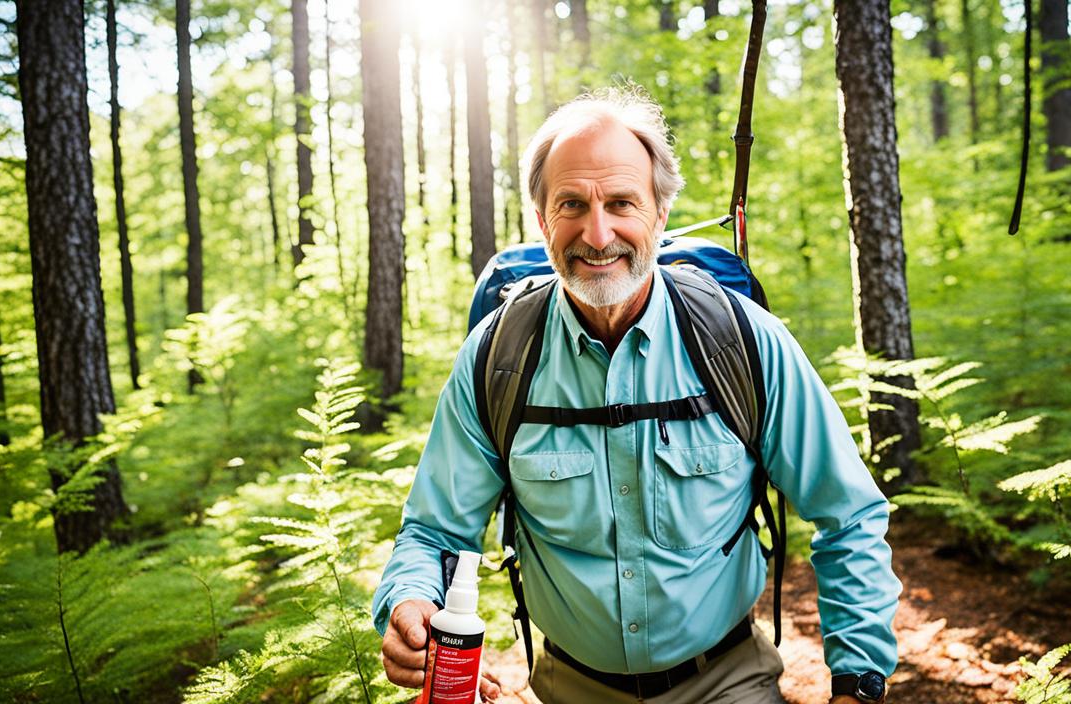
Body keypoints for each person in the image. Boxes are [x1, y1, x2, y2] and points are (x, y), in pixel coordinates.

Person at [373, 87, 900, 704]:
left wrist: (857, 681)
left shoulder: (743, 341)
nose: (598, 234)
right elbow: (436, 533)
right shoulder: (498, 358)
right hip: (569, 687)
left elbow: (849, 513)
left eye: (621, 202)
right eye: (572, 204)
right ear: (542, 220)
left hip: (726, 682)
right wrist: (409, 599)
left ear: (659, 213)